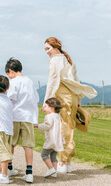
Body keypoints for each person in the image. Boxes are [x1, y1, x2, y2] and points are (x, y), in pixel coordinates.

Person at [43, 37, 97, 173]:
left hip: (61, 96)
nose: (46, 52)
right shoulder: (69, 60)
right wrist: (78, 100)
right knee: (69, 127)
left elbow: (53, 80)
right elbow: (75, 80)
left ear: (56, 47)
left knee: (62, 129)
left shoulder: (55, 60)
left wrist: (47, 101)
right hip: (72, 97)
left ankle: (63, 162)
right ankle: (66, 162)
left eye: (48, 48)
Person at [5, 57, 39, 183]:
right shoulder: (29, 81)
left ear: (10, 71)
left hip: (14, 116)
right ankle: (29, 172)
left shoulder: (13, 82)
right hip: (28, 117)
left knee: (11, 143)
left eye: (8, 74)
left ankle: (9, 168)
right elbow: (36, 98)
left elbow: (10, 97)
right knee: (28, 145)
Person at [34, 97, 64, 179]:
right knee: (53, 156)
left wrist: (37, 125)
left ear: (52, 107)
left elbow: (47, 126)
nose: (44, 108)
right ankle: (54, 172)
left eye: (45, 106)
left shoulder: (49, 116)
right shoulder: (57, 116)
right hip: (57, 140)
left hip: (51, 140)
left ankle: (51, 169)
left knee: (44, 155)